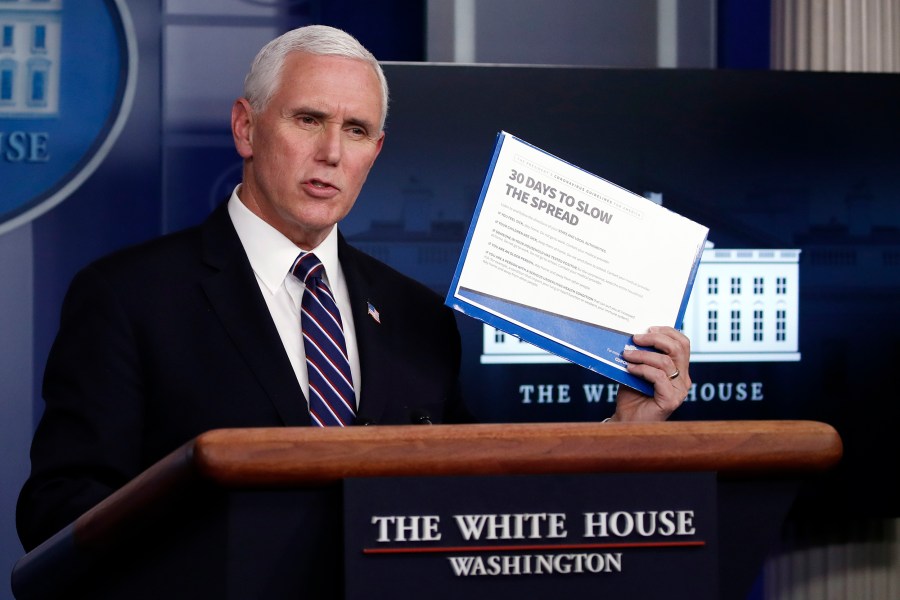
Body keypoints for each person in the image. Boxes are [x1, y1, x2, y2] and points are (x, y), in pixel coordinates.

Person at [16, 25, 692, 552]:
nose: (332, 153)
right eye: (308, 119)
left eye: (357, 130)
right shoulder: (127, 297)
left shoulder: (415, 316)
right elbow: (61, 512)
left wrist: (621, 431)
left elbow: (480, 507)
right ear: (247, 128)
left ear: (377, 149)